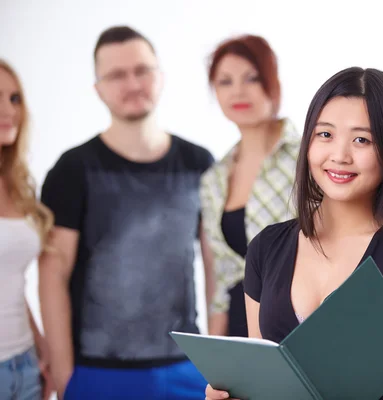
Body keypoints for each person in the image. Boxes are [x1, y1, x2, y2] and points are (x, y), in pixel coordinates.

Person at [206, 67, 383, 399]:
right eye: (325, 135)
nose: (339, 156)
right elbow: (262, 379)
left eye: (361, 140)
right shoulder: (266, 248)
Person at [38, 26, 215, 400]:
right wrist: (65, 374)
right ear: (98, 88)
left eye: (142, 70)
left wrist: (219, 362)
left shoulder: (198, 163)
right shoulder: (72, 169)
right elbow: (52, 274)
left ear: (161, 76)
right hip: (98, 370)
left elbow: (218, 266)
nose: (132, 84)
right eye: (116, 75)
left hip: (188, 367)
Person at [201, 34, 300, 337]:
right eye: (225, 81)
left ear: (273, 84)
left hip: (299, 324)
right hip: (238, 332)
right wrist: (215, 361)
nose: (238, 91)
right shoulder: (213, 179)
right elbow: (222, 281)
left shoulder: (311, 157)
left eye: (252, 78)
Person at [0, 60, 54, 400]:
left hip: (25, 363)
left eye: (14, 98)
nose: (9, 110)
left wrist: (40, 341)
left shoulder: (16, 185)